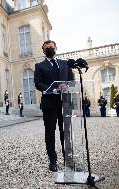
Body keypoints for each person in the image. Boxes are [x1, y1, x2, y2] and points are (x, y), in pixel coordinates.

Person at [34, 40, 74, 172]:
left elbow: (72, 80)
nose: (50, 49)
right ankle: (53, 161)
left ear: (56, 48)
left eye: (52, 47)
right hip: (49, 104)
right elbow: (38, 83)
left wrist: (67, 85)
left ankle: (68, 159)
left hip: (65, 102)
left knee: (66, 132)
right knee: (50, 133)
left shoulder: (65, 64)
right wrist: (53, 88)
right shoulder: (39, 66)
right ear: (43, 51)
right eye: (47, 48)